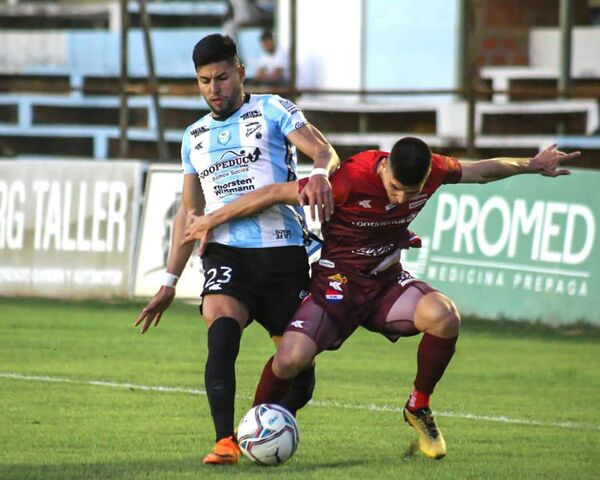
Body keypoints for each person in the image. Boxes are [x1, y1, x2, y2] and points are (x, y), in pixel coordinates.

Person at [182, 138, 580, 460]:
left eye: (412, 192)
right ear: (384, 167)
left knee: (445, 317)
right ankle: (250, 431)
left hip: (386, 284)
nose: (403, 201)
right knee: (289, 359)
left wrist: (532, 163)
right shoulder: (347, 180)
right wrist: (210, 221)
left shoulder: (435, 170)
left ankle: (418, 407)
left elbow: (480, 170)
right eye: (395, 189)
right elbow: (270, 193)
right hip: (337, 285)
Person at [134, 33, 340, 465]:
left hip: (283, 254)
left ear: (240, 72)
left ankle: (266, 423)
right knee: (222, 331)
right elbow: (190, 215)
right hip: (228, 254)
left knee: (298, 367)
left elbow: (323, 150)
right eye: (205, 81)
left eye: (222, 77)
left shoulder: (272, 109)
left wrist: (320, 172)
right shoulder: (194, 136)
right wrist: (170, 281)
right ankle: (225, 441)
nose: (214, 88)